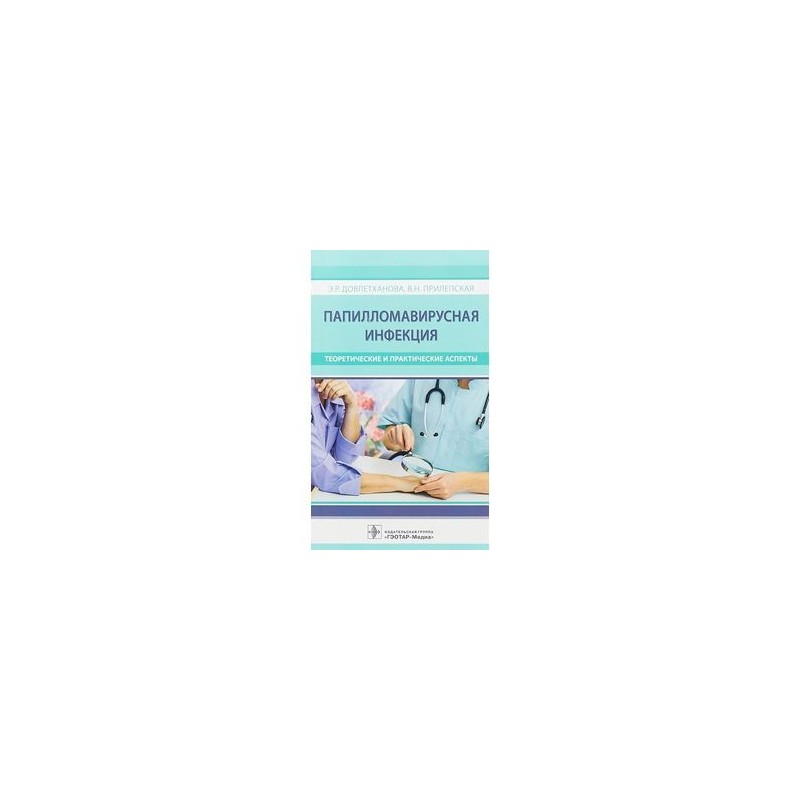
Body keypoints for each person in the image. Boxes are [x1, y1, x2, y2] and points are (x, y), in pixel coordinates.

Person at [379, 378, 489, 499]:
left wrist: (461, 482)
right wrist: (395, 437)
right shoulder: (422, 378)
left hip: (466, 497)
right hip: (410, 485)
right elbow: (388, 437)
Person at [310, 379, 421, 495]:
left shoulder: (332, 390)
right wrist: (401, 483)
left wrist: (351, 404)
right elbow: (327, 475)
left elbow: (345, 459)